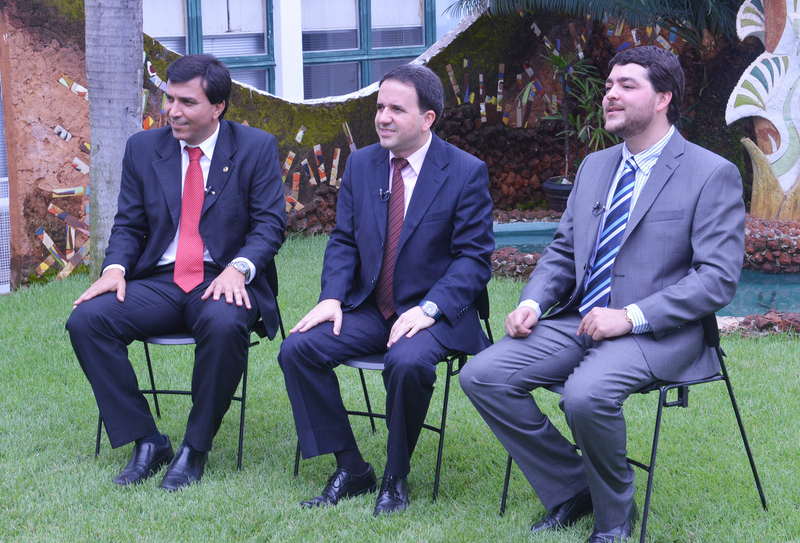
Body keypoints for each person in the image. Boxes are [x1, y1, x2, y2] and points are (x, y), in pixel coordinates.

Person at [460, 46, 745, 542]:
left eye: (627, 85)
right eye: (610, 85)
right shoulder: (595, 166)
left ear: (663, 98)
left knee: (585, 396)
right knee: (483, 375)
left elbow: (716, 278)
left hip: (658, 331)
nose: (610, 94)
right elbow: (563, 250)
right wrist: (532, 303)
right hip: (580, 319)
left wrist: (630, 316)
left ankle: (614, 519)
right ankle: (574, 488)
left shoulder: (710, 173)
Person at [278, 64, 494, 516]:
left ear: (428, 118)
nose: (383, 118)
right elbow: (344, 239)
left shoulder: (465, 171)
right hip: (372, 307)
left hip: (434, 313)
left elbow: (474, 259)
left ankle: (396, 476)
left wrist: (430, 309)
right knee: (298, 348)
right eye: (380, 108)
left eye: (397, 109)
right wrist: (331, 297)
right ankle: (352, 467)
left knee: (408, 362)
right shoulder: (363, 164)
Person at [67, 54, 286, 491]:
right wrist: (114, 269)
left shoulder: (255, 147)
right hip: (160, 281)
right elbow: (129, 224)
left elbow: (269, 225)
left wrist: (239, 269)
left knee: (225, 324)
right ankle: (148, 441)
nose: (172, 111)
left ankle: (194, 449)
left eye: (187, 102)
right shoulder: (144, 148)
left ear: (218, 107)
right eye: (169, 99)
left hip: (221, 276)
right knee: (87, 320)